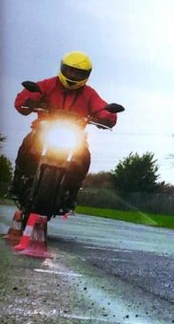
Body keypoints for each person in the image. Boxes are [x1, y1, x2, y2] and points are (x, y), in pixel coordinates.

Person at [9, 51, 118, 212]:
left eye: (78, 72)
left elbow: (101, 106)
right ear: (62, 68)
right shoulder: (48, 85)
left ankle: (72, 192)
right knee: (27, 143)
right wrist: (28, 100)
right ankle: (17, 180)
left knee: (84, 156)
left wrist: (107, 116)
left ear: (86, 75)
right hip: (44, 130)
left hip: (74, 135)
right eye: (70, 70)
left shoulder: (89, 93)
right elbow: (29, 94)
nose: (73, 75)